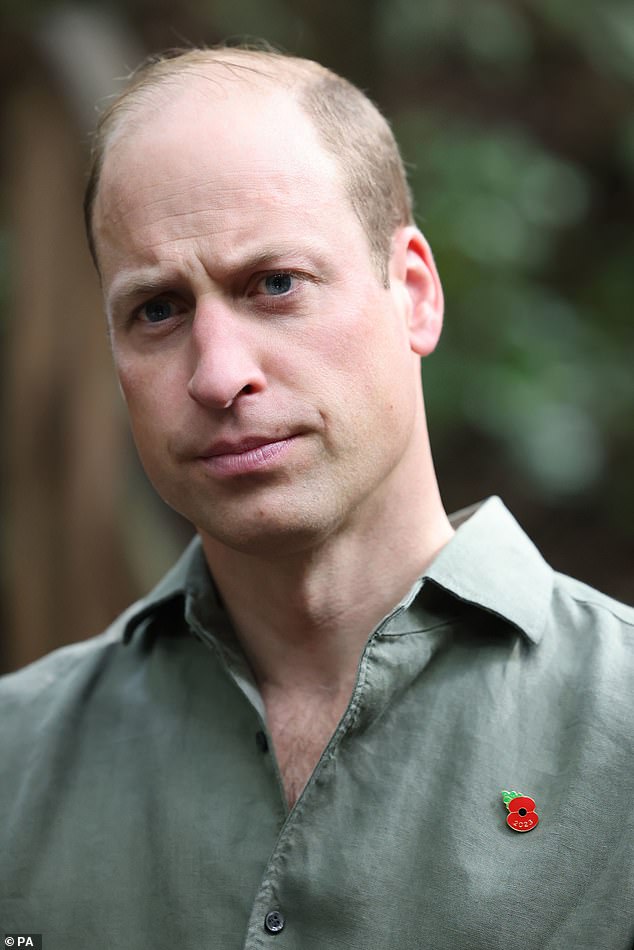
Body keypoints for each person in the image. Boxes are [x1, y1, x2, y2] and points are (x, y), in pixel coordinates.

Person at [1, 46, 633, 950]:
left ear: (412, 293)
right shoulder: (16, 766)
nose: (219, 375)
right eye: (157, 311)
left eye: (275, 285)